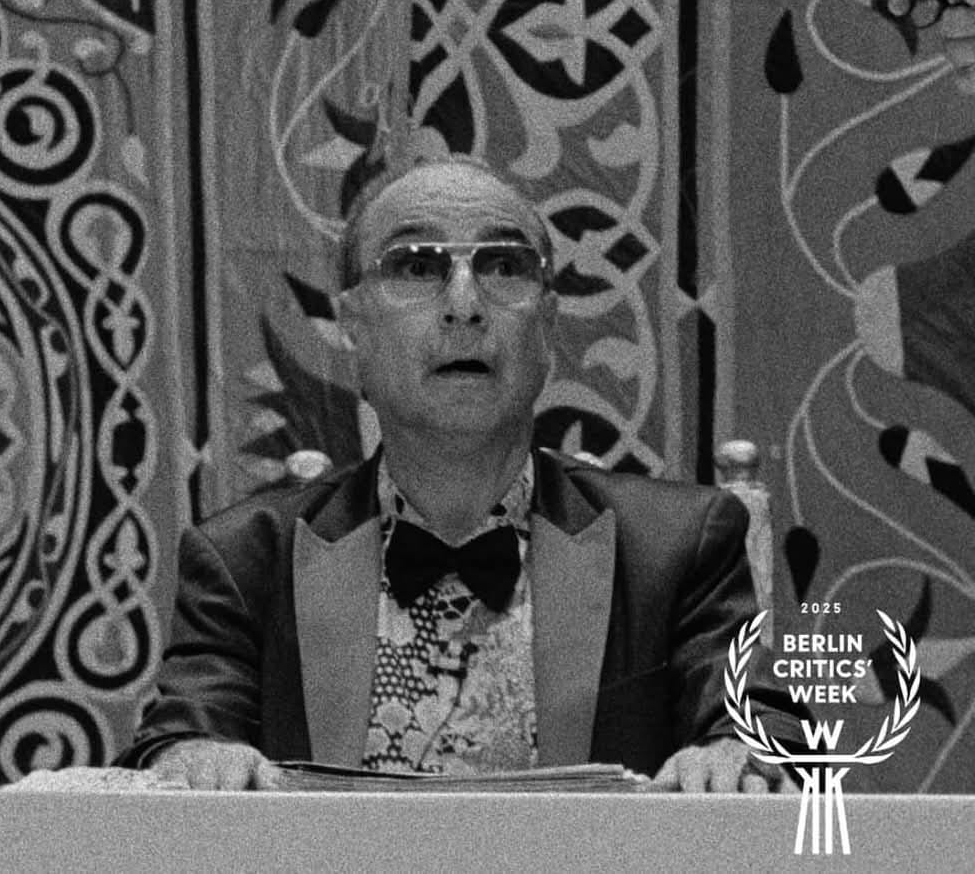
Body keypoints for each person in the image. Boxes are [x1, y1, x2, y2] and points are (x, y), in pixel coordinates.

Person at [117, 157, 806, 792]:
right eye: (416, 266)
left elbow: (772, 728)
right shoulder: (246, 559)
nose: (465, 303)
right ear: (354, 327)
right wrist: (194, 758)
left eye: (504, 265)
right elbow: (178, 736)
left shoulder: (678, 544)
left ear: (547, 325)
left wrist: (742, 754)